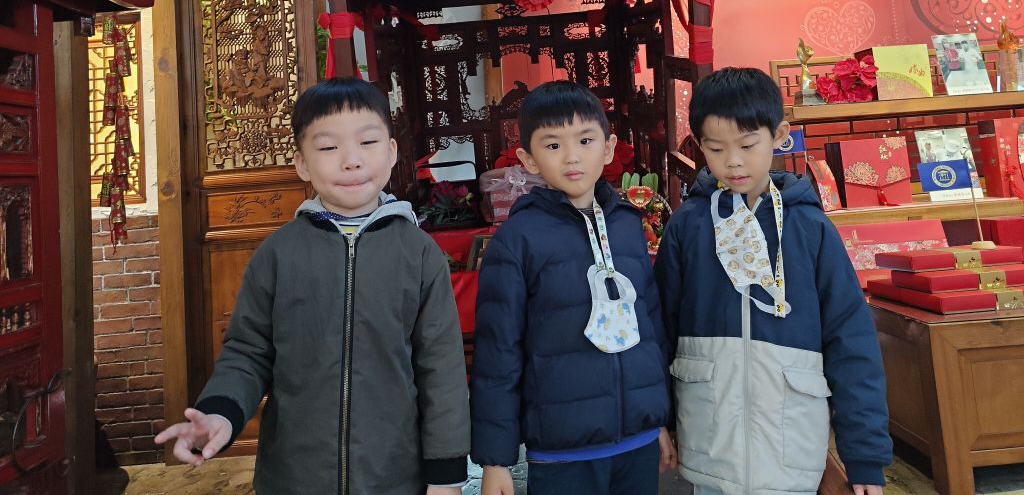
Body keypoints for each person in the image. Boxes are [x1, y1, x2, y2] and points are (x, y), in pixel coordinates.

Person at [155, 77, 470, 494]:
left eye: (368, 142)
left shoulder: (418, 253)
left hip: (393, 475)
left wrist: (446, 475)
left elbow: (441, 369)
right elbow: (248, 352)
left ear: (392, 152)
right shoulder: (278, 254)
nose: (351, 161)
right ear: (302, 163)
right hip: (294, 477)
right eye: (328, 147)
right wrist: (221, 412)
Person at [655, 67, 891, 495]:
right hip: (709, 443)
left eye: (747, 145)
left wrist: (865, 457)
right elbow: (660, 331)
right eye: (716, 148)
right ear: (699, 145)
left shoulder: (810, 227)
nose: (733, 161)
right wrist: (658, 421)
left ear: (779, 135)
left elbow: (851, 341)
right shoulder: (688, 226)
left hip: (793, 443)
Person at [471, 80, 675, 495]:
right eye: (552, 145)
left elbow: (650, 327)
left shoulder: (627, 225)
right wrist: (496, 460)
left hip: (636, 443)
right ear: (528, 159)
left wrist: (659, 421)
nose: (572, 156)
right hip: (563, 451)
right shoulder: (517, 239)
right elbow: (497, 353)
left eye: (585, 140)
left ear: (609, 147)